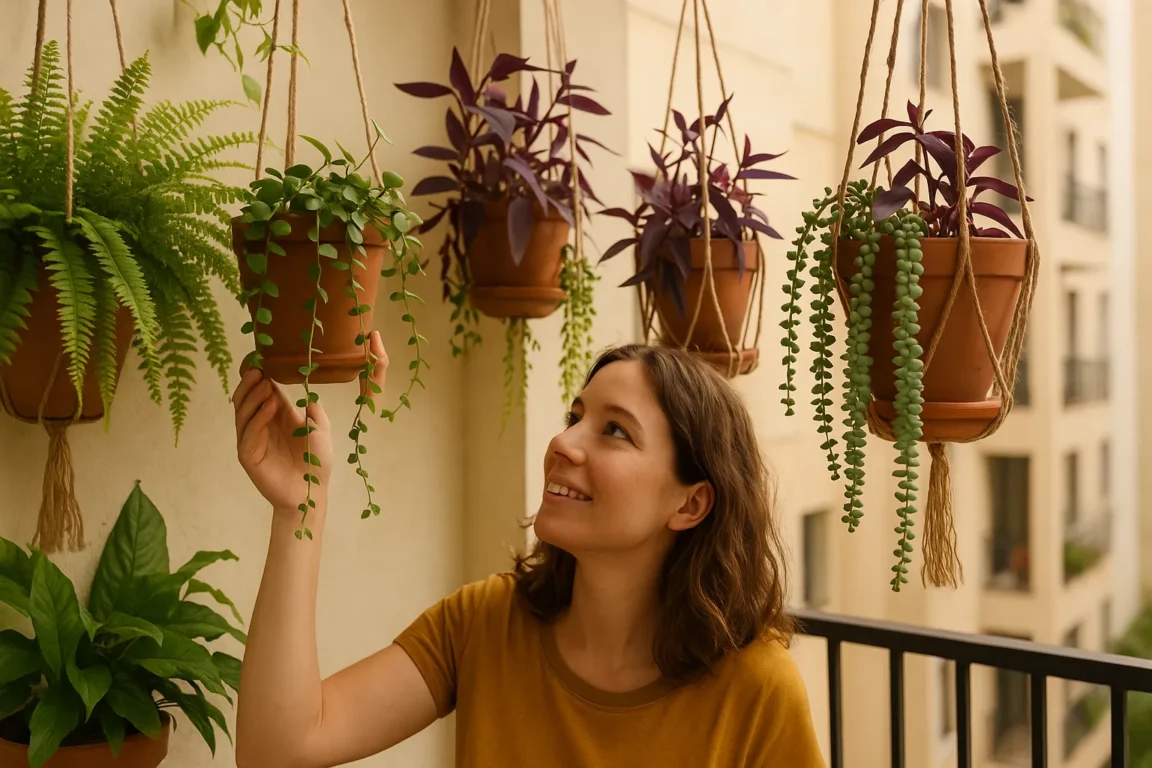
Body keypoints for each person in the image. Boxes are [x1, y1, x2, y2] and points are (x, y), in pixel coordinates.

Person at [232, 333, 826, 768]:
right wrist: (299, 511)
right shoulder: (483, 624)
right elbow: (279, 747)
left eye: (614, 430)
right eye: (575, 416)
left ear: (691, 505)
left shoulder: (757, 689)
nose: (563, 442)